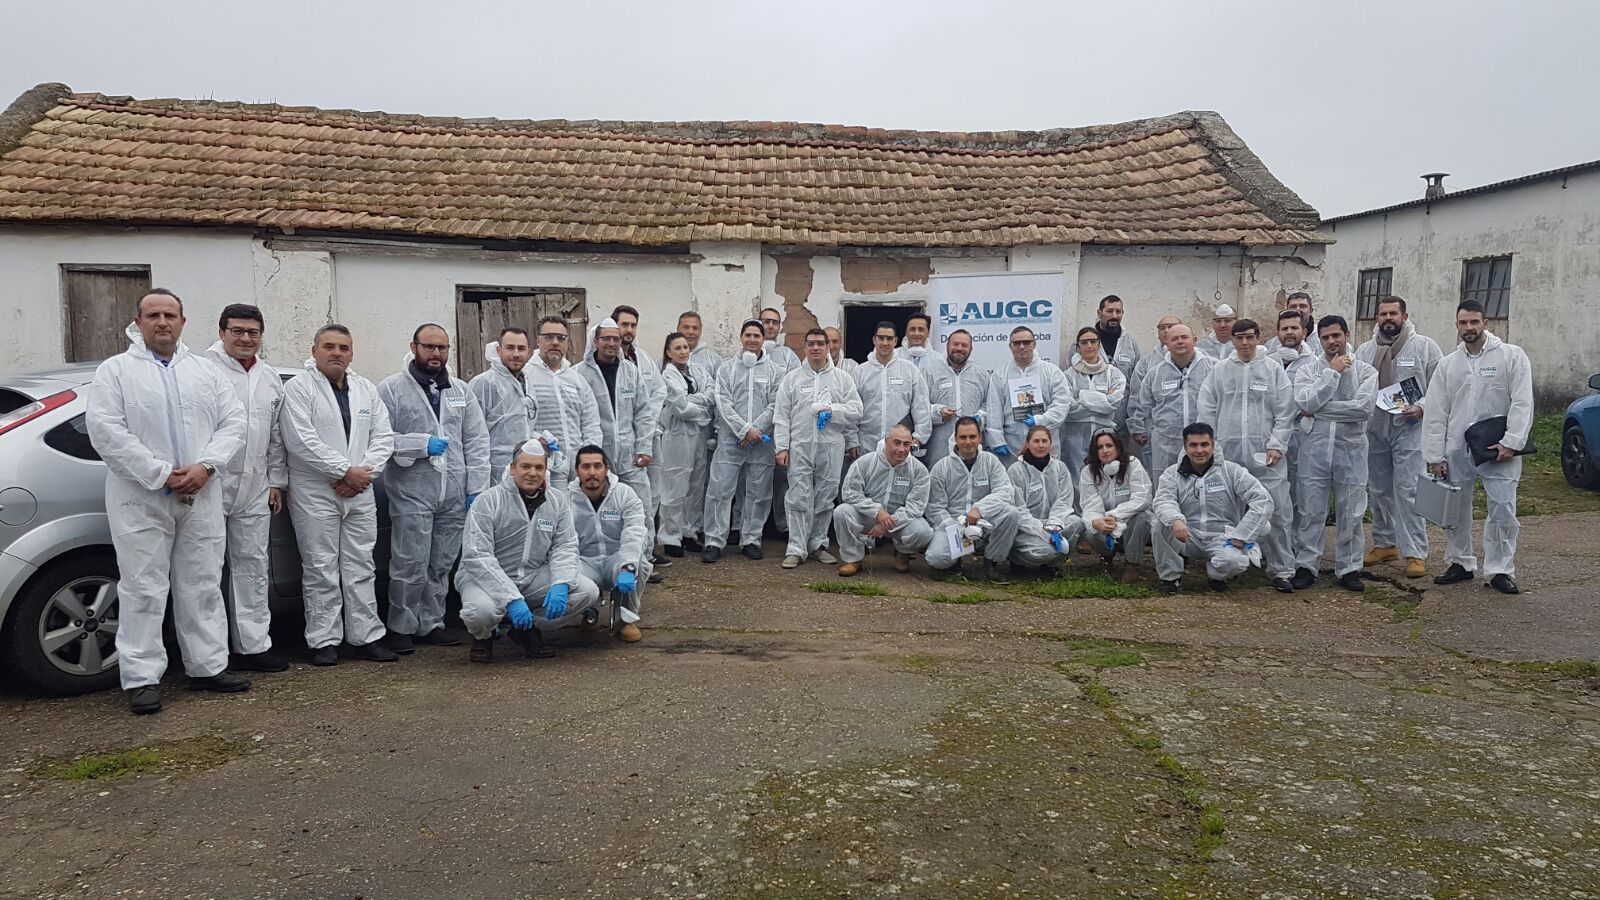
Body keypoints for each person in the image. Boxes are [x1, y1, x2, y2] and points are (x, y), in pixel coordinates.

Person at [88, 289, 249, 715]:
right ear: (138, 322)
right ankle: (141, 677)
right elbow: (106, 430)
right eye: (153, 315)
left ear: (183, 321)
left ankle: (208, 665)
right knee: (143, 587)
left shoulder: (204, 372)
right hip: (140, 497)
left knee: (202, 583)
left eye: (170, 315)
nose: (163, 322)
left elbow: (234, 423)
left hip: (202, 491)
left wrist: (206, 467)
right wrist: (160, 474)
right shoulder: (116, 371)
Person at [279, 324, 399, 666]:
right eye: (329, 346)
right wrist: (344, 470)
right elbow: (300, 440)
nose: (337, 353)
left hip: (360, 488)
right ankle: (323, 640)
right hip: (315, 489)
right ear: (314, 350)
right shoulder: (299, 389)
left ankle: (366, 636)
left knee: (361, 564)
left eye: (343, 347)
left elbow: (384, 437)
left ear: (351, 353)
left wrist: (363, 473)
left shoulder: (365, 389)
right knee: (320, 567)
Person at [377, 323, 490, 652]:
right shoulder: (391, 389)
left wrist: (477, 486)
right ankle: (401, 626)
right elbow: (381, 439)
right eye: (429, 347)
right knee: (409, 562)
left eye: (442, 348)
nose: (436, 354)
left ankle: (431, 622)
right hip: (412, 490)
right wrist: (420, 443)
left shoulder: (460, 390)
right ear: (414, 347)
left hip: (453, 492)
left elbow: (477, 439)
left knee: (440, 563)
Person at [1423, 299, 1534, 594]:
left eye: (1474, 322)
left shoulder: (1511, 356)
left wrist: (1512, 441)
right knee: (1456, 506)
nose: (1469, 328)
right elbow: (1436, 411)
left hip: (1499, 448)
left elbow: (1522, 402)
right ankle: (1460, 561)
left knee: (1502, 507)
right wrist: (1435, 455)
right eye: (1463, 323)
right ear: (1457, 326)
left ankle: (1499, 569)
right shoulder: (1449, 364)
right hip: (1457, 447)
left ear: (1486, 323)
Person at [457, 440, 602, 661]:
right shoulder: (488, 501)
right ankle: (483, 636)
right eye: (525, 466)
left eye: (539, 467)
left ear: (546, 470)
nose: (532, 473)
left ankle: (527, 629)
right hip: (484, 579)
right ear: (513, 468)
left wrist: (561, 583)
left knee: (587, 591)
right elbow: (477, 555)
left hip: (531, 575)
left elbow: (565, 545)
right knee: (480, 613)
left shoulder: (556, 501)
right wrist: (511, 599)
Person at [203, 303, 289, 674]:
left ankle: (252, 647)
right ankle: (208, 655)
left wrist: (276, 481)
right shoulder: (203, 372)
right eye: (237, 331)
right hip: (209, 484)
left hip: (255, 486)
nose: (245, 338)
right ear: (221, 332)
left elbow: (275, 436)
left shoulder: (269, 377)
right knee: (204, 571)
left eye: (252, 332)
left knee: (252, 567)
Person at [1197, 318, 1296, 592]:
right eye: (1239, 338)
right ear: (1232, 340)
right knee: (1227, 511)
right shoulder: (1220, 371)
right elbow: (1206, 408)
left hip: (1266, 455)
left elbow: (1285, 411)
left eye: (1249, 337)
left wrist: (1277, 444)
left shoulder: (1272, 369)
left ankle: (1281, 569)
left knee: (1276, 510)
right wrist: (1211, 446)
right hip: (1228, 454)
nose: (1244, 343)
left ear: (1258, 337)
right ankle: (1227, 567)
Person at [1355, 295, 1443, 579]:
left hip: (1409, 428)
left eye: (1393, 313)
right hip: (1375, 427)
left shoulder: (1424, 347)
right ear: (1377, 318)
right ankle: (1384, 543)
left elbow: (1441, 389)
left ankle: (1415, 552)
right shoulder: (1366, 351)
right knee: (1379, 489)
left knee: (1408, 490)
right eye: (1383, 314)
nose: (1388, 319)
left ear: (1404, 316)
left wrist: (1423, 406)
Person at [1291, 315, 1379, 592]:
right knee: (1310, 510)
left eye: (1336, 336)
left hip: (1350, 451)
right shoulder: (1308, 370)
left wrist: (1319, 410)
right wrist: (1332, 373)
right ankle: (1306, 565)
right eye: (1326, 337)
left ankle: (1349, 568)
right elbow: (1304, 400)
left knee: (1352, 512)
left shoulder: (1366, 371)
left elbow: (1363, 409)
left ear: (1346, 335)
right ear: (1318, 339)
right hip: (1313, 452)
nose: (1331, 342)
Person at [774, 327, 862, 567]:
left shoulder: (843, 379)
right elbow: (781, 416)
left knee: (825, 496)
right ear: (805, 347)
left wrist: (833, 410)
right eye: (811, 343)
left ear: (829, 347)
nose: (816, 348)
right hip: (800, 446)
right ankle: (796, 547)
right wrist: (782, 447)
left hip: (831, 446)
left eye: (820, 344)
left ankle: (818, 544)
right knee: (798, 496)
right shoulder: (792, 379)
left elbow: (857, 409)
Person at [1152, 423, 1274, 594]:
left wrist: (1242, 535)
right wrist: (1176, 520)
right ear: (1185, 447)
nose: (1199, 450)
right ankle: (1171, 577)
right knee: (1159, 524)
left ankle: (1217, 576)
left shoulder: (1232, 471)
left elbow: (1263, 499)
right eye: (1193, 445)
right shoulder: (1173, 473)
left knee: (1235, 562)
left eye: (1204, 444)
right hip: (1188, 535)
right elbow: (1163, 500)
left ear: (1213, 445)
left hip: (1222, 536)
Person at [576, 318, 660, 558]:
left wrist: (644, 447)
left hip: (630, 453)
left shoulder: (630, 372)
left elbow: (644, 412)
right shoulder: (579, 374)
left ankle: (643, 558)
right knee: (600, 508)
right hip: (596, 456)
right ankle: (603, 557)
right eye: (606, 339)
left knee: (641, 506)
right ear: (596, 341)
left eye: (615, 338)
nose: (612, 343)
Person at [703, 319, 784, 563]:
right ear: (741, 337)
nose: (752, 340)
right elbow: (723, 403)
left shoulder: (775, 371)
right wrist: (743, 430)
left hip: (762, 441)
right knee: (719, 490)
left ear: (763, 339)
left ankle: (751, 538)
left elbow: (775, 404)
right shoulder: (727, 369)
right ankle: (714, 540)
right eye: (747, 335)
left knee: (758, 492)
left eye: (756, 336)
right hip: (731, 440)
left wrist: (756, 430)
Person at [923, 417, 1020, 583]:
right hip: (954, 525)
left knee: (1011, 513)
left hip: (984, 521)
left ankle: (992, 562)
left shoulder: (991, 462)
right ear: (955, 438)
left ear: (980, 438)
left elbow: (1005, 491)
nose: (968, 442)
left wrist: (979, 509)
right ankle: (955, 561)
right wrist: (958, 529)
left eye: (972, 437)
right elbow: (934, 507)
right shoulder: (942, 467)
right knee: (936, 558)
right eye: (963, 437)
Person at [570, 445, 650, 642]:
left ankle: (625, 617)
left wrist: (628, 565)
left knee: (638, 561)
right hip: (585, 561)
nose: (592, 473)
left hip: (616, 558)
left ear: (606, 469)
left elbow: (634, 531)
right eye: (585, 467)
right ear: (577, 471)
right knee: (568, 571)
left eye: (597, 466)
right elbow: (563, 542)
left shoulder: (625, 494)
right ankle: (590, 613)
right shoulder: (566, 499)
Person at [832, 423, 933, 576]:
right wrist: (877, 511)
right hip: (868, 518)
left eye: (906, 444)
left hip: (898, 523)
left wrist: (888, 523)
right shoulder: (865, 462)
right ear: (886, 442)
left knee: (923, 531)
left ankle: (902, 553)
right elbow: (849, 493)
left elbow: (916, 506)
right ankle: (853, 559)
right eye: (897, 443)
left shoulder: (919, 470)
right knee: (842, 512)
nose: (901, 449)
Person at [524, 316, 602, 489]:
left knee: (579, 513)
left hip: (577, 467)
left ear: (567, 342)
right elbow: (518, 422)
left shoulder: (576, 379)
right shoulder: (526, 375)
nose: (555, 343)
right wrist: (537, 439)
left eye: (561, 338)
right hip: (543, 465)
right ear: (538, 340)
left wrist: (589, 456)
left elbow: (591, 421)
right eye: (548, 337)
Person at [1130, 323, 1216, 477]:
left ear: (1194, 340)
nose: (1180, 341)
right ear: (1167, 344)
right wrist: (1144, 431)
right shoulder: (1155, 374)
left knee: (1204, 487)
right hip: (1165, 445)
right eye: (1174, 339)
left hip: (1203, 445)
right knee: (1166, 487)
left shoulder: (1213, 368)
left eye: (1184, 337)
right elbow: (1143, 407)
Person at [657, 331, 716, 558]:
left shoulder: (699, 370)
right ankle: (671, 536)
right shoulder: (667, 375)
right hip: (677, 437)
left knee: (695, 485)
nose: (683, 352)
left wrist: (696, 401)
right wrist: (701, 404)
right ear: (668, 352)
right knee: (675, 486)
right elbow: (679, 407)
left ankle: (689, 531)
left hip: (699, 436)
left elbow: (712, 394)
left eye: (685, 348)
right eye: (678, 348)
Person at [849, 320, 932, 464]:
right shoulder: (861, 372)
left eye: (889, 339)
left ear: (896, 341)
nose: (885, 343)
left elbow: (921, 405)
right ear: (874, 340)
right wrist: (852, 440)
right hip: (867, 443)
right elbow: (852, 408)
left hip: (900, 445)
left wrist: (919, 437)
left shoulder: (909, 370)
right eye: (881, 338)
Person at [1006, 424, 1086, 570]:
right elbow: (1019, 510)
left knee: (1077, 522)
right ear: (1028, 444)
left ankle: (1055, 564)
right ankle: (1016, 559)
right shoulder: (1015, 470)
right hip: (1026, 527)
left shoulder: (1060, 468)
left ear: (1050, 444)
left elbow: (1064, 500)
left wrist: (1053, 525)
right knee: (1043, 552)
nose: (1040, 445)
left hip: (1054, 523)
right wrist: (1041, 530)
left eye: (1044, 441)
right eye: (1036, 441)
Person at [987, 325, 1071, 462]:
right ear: (1010, 346)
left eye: (1026, 342)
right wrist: (996, 440)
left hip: (1044, 443)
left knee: (1047, 480)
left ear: (1034, 344)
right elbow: (993, 409)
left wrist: (1039, 421)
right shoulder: (1000, 375)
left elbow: (1061, 404)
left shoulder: (1051, 372)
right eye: (1017, 343)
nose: (1022, 347)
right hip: (1012, 446)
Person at [921, 329, 994, 468]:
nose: (959, 348)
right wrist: (938, 412)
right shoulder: (929, 372)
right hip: (939, 447)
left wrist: (980, 417)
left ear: (971, 349)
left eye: (964, 345)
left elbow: (989, 405)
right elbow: (919, 407)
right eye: (955, 344)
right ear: (947, 346)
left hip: (972, 446)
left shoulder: (981, 374)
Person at [469, 327, 537, 472]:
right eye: (510, 348)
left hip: (524, 470)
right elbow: (473, 435)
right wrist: (477, 480)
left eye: (521, 348)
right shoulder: (484, 383)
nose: (516, 354)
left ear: (529, 352)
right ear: (499, 350)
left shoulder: (527, 382)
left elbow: (522, 426)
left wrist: (539, 440)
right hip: (495, 471)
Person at [1079, 430, 1153, 564]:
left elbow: (1142, 498)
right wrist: (1096, 521)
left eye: (1109, 445)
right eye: (1100, 447)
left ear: (1118, 447)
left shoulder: (1133, 464)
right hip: (1105, 521)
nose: (1105, 450)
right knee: (1090, 529)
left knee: (1143, 518)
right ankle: (1107, 554)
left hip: (1129, 520)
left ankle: (1132, 563)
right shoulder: (1088, 472)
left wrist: (1115, 515)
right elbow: (1090, 503)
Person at [1060, 326, 1127, 472]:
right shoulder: (1067, 376)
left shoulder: (1113, 373)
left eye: (1093, 341)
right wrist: (1102, 399)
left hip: (1106, 435)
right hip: (1075, 437)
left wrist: (1082, 397)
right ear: (1078, 347)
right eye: (1084, 342)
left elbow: (1114, 402)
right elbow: (1069, 406)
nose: (1089, 346)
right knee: (1076, 476)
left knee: (1105, 474)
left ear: (1099, 344)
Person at [1123, 315, 1181, 462]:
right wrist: (1137, 427)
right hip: (1154, 432)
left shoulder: (1198, 363)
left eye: (1171, 326)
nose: (1167, 331)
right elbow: (1136, 396)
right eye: (1162, 328)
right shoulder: (1147, 364)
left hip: (1187, 431)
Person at [1070, 295, 1141, 387]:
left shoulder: (1131, 344)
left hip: (1123, 400)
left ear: (1122, 314)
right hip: (1089, 400)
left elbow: (1136, 381)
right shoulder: (1083, 341)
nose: (1114, 316)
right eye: (1109, 311)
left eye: (1118, 312)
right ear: (1099, 313)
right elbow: (1072, 377)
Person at [759, 307, 801, 372]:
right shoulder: (749, 353)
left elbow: (797, 380)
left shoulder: (788, 356)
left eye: (775, 323)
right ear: (758, 325)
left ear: (779, 327)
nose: (771, 326)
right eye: (767, 322)